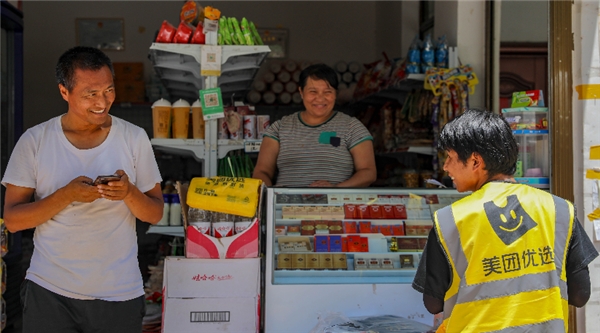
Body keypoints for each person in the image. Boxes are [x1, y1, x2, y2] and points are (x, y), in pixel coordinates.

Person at [2, 46, 164, 333]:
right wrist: (66, 195)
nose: (103, 101)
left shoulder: (134, 138)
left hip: (119, 293)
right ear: (64, 92)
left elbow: (154, 213)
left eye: (109, 90)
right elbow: (13, 221)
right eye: (91, 93)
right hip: (50, 292)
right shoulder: (35, 141)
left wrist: (128, 193)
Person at [412, 109, 598, 333]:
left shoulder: (450, 219)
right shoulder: (560, 209)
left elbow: (433, 304)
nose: (445, 167)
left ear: (475, 161)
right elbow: (580, 295)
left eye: (450, 157)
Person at [252, 63, 376, 187]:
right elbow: (262, 171)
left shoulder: (352, 127)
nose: (320, 99)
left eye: (327, 92)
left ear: (336, 94)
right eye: (313, 92)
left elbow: (368, 172)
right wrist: (270, 196)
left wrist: (335, 189)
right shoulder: (279, 128)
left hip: (335, 205)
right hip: (285, 205)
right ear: (301, 92)